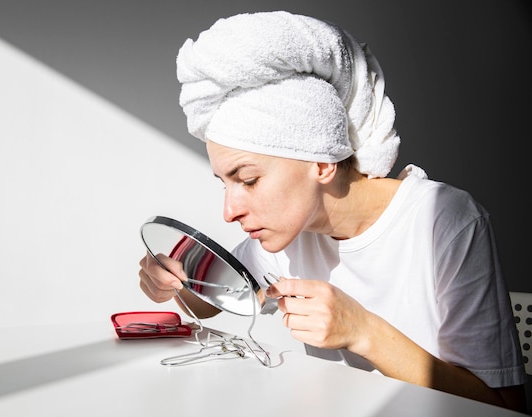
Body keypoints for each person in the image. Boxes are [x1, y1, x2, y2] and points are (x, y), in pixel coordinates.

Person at [137, 11, 527, 412]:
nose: (229, 211)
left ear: (322, 162)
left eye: (248, 180)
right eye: (225, 183)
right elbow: (219, 298)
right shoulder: (287, 236)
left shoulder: (445, 220)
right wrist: (174, 283)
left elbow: (505, 406)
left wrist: (361, 331)